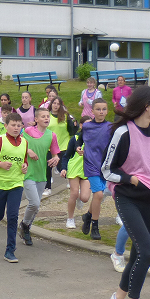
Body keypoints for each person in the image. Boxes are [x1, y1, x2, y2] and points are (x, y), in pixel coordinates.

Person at [102, 86, 150, 299]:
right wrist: (130, 179)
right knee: (148, 252)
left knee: (140, 251)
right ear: (147, 106)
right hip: (128, 198)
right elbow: (107, 170)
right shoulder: (123, 132)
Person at [0, 112, 28, 263]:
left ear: (22, 126)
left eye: (18, 125)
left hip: (16, 184)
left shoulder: (24, 142)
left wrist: (25, 166)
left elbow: (24, 160)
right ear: (6, 126)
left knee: (13, 216)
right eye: (13, 125)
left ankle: (10, 250)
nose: (16, 128)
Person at [18, 107, 60, 246]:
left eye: (47, 116)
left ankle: (25, 227)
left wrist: (56, 159)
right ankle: (24, 226)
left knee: (36, 206)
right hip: (28, 173)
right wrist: (28, 150)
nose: (46, 118)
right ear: (36, 119)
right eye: (43, 116)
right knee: (34, 203)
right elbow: (17, 144)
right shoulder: (27, 132)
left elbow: (55, 153)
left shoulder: (51, 135)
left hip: (42, 174)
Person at [76, 98, 112, 240]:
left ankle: (88, 215)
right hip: (90, 164)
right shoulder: (87, 126)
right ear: (92, 111)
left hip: (105, 166)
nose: (101, 112)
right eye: (98, 109)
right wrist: (78, 147)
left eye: (104, 109)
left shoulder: (110, 127)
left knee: (99, 195)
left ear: (107, 111)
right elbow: (80, 139)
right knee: (98, 195)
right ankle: (95, 226)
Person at [60, 116, 91, 228]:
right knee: (73, 193)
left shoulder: (94, 138)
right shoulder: (75, 138)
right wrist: (64, 168)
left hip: (87, 170)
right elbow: (66, 156)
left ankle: (79, 198)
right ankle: (70, 219)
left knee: (85, 198)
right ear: (81, 126)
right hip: (74, 168)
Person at [44, 96, 78, 197]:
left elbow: (72, 131)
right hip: (50, 146)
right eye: (54, 103)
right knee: (47, 167)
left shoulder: (66, 116)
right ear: (51, 104)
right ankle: (48, 187)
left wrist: (75, 126)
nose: (56, 105)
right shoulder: (47, 115)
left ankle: (71, 181)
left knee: (62, 167)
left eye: (58, 104)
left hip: (63, 145)